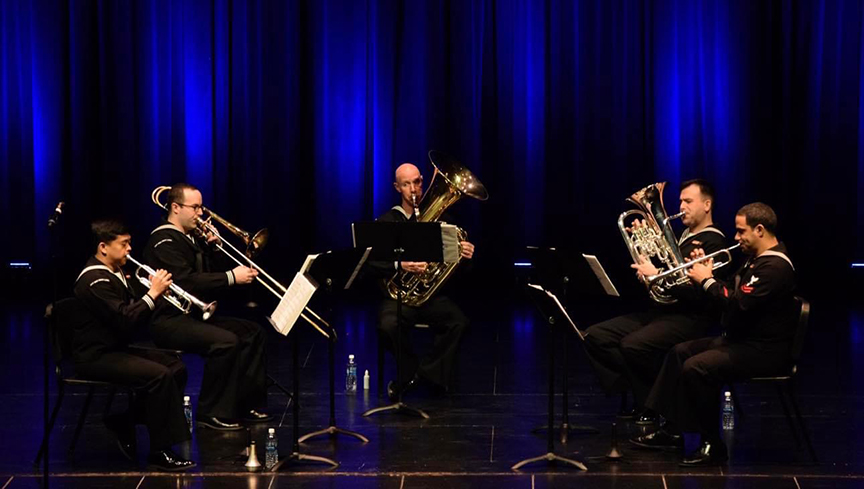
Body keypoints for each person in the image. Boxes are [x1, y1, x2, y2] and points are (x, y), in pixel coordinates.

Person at [633, 202, 798, 466]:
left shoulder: (775, 267)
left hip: (765, 350)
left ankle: (712, 443)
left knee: (698, 368)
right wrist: (706, 273)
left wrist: (707, 280)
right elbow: (728, 292)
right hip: (742, 341)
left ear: (759, 230)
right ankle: (674, 429)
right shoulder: (755, 261)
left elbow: (739, 304)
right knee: (680, 352)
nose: (736, 237)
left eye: (740, 231)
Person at [584, 179, 729, 423]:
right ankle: (649, 396)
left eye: (688, 201)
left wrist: (658, 275)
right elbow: (664, 281)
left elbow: (698, 295)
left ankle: (655, 405)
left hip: (691, 317)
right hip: (663, 312)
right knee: (596, 336)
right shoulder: (681, 235)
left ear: (707, 205)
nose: (681, 205)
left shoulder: (713, 242)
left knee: (634, 345)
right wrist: (645, 258)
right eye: (680, 200)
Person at [143, 183, 270, 431]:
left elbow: (210, 279)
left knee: (253, 333)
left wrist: (213, 249)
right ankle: (211, 411)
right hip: (169, 321)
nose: (201, 213)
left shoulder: (191, 239)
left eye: (201, 207)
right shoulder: (163, 239)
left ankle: (244, 404)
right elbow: (185, 279)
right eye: (195, 207)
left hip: (194, 316)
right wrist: (231, 277)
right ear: (176, 207)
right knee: (226, 342)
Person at [73, 219, 195, 471]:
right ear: (103, 247)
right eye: (124, 244)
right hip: (94, 355)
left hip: (115, 347)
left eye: (129, 243)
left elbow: (135, 316)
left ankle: (125, 420)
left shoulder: (118, 272)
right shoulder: (94, 280)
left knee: (175, 367)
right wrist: (151, 294)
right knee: (159, 376)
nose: (130, 249)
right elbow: (124, 319)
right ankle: (159, 450)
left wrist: (160, 296)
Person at [366, 163, 475, 399]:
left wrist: (463, 256)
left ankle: (428, 376)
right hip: (399, 298)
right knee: (386, 326)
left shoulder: (443, 221)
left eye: (417, 182)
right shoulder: (386, 221)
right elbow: (370, 264)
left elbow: (459, 274)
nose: (413, 189)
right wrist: (400, 265)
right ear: (397, 187)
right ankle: (410, 372)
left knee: (459, 322)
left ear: (423, 182)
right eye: (406, 184)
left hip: (429, 297)